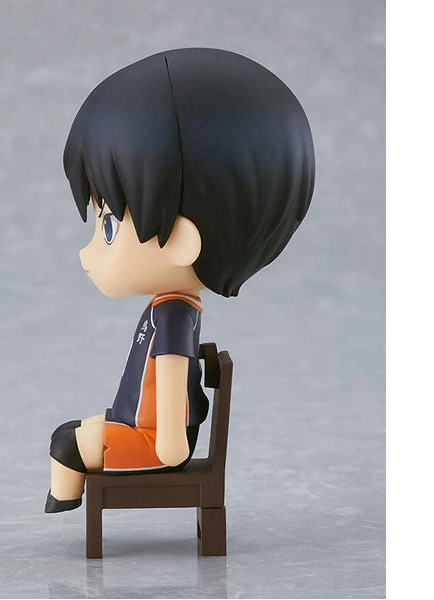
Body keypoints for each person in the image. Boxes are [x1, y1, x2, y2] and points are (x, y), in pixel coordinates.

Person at [45, 47, 315, 513]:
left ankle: (64, 503)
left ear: (181, 241)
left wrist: (168, 445)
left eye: (109, 227)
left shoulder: (172, 317)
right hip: (135, 424)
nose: (90, 251)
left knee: (65, 444)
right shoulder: (174, 307)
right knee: (75, 433)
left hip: (152, 441)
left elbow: (170, 407)